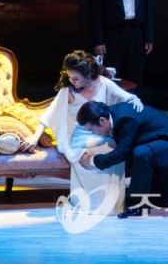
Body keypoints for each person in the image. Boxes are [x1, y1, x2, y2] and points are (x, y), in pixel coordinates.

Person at [20, 50, 143, 215]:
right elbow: (49, 115)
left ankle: (112, 204)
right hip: (79, 137)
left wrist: (135, 103)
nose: (72, 81)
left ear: (88, 74)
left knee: (114, 149)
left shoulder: (104, 83)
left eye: (76, 78)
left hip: (101, 133)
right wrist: (35, 137)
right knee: (94, 152)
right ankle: (89, 204)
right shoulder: (68, 90)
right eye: (70, 77)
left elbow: (127, 97)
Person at [77, 100, 168, 218]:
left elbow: (122, 153)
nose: (93, 133)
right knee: (157, 197)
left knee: (140, 153)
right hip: (157, 146)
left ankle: (137, 204)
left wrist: (92, 160)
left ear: (102, 121)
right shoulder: (111, 115)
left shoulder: (125, 118)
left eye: (91, 130)